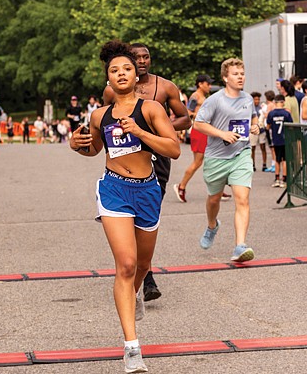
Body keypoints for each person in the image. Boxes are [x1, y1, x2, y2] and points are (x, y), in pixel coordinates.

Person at [71, 40, 180, 374]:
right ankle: (132, 347)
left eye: (127, 69)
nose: (121, 74)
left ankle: (135, 298)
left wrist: (140, 132)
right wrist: (77, 146)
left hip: (147, 191)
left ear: (136, 77)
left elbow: (173, 149)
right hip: (114, 189)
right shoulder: (99, 115)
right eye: (114, 70)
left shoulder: (150, 110)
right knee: (127, 264)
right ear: (108, 78)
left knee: (144, 264)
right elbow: (94, 150)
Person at [103, 42, 190, 302]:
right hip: (126, 157)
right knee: (124, 217)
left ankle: (142, 266)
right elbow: (105, 121)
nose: (142, 61)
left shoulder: (165, 87)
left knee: (148, 213)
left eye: (146, 57)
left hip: (158, 155)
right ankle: (143, 275)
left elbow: (185, 119)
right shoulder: (111, 91)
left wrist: (156, 126)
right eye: (136, 58)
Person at [194, 57, 259, 262]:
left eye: (242, 74)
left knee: (242, 199)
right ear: (225, 77)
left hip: (241, 154)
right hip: (216, 157)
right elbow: (198, 124)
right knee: (214, 199)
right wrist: (222, 134)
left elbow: (253, 118)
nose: (240, 77)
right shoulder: (215, 100)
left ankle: (240, 246)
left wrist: (255, 126)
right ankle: (212, 225)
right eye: (235, 74)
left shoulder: (248, 99)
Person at [173, 74, 213, 202]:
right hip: (198, 131)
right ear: (200, 84)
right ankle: (181, 186)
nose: (210, 86)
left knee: (212, 159)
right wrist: (200, 114)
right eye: (208, 84)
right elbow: (188, 112)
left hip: (206, 130)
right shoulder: (195, 96)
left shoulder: (203, 96)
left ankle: (217, 189)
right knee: (197, 162)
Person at [266, 95, 293, 188]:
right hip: (285, 138)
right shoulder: (286, 114)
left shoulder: (271, 113)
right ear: (283, 102)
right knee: (285, 159)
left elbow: (268, 126)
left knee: (277, 159)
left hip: (276, 138)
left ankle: (277, 178)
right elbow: (291, 126)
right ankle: (284, 179)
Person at [249, 92, 267, 172]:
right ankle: (252, 164)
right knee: (252, 147)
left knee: (263, 146)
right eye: (255, 99)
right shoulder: (250, 108)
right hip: (253, 130)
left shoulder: (261, 108)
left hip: (261, 129)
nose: (257, 101)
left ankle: (264, 163)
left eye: (258, 99)